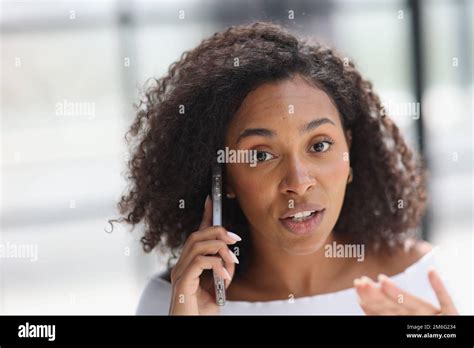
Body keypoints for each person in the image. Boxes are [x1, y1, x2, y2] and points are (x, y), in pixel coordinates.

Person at [110, 22, 458, 315]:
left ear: (349, 150)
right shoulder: (173, 301)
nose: (298, 182)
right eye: (260, 155)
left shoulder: (423, 279)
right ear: (223, 177)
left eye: (320, 146)